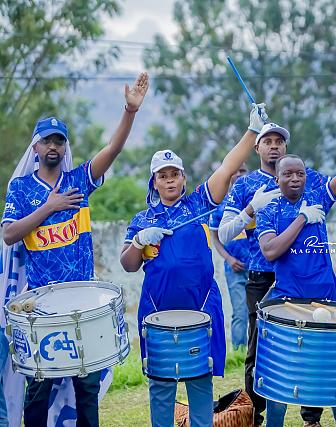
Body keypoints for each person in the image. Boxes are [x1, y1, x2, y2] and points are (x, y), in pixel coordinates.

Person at [0, 73, 149, 427]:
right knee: (39, 389)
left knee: (86, 389)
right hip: (42, 306)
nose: (53, 146)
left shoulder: (78, 180)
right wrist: (49, 207)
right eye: (47, 140)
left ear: (65, 147)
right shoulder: (21, 189)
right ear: (35, 148)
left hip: (83, 301)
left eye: (60, 141)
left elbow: (112, 150)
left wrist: (129, 111)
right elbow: (8, 234)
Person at [119, 103, 268, 427]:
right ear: (154, 182)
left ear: (184, 177)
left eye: (175, 174)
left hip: (201, 307)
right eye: (163, 176)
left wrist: (252, 131)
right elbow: (128, 265)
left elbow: (227, 168)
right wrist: (138, 242)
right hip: (157, 310)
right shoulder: (142, 219)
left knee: (200, 381)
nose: (170, 180)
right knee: (161, 386)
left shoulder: (200, 203)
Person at [254, 99, 336, 426]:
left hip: (328, 295)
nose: (295, 178)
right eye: (288, 174)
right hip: (287, 299)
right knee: (281, 377)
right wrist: (301, 219)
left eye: (300, 173)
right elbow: (271, 252)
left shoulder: (319, 197)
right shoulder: (269, 211)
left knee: (335, 374)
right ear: (277, 178)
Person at [210, 164, 251, 350]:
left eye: (242, 171)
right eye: (235, 171)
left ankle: (259, 351)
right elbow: (215, 238)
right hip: (235, 269)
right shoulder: (221, 205)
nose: (239, 174)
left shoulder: (255, 200)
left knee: (260, 311)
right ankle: (239, 352)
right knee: (240, 312)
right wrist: (229, 259)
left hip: (259, 267)